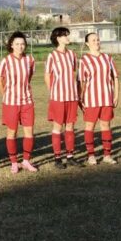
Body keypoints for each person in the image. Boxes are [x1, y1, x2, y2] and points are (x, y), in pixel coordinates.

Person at [0, 31, 37, 174]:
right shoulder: (5, 61)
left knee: (29, 132)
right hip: (11, 102)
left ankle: (26, 160)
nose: (20, 47)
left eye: (22, 44)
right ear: (11, 45)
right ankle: (14, 162)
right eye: (17, 44)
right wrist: (6, 95)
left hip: (27, 101)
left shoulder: (30, 60)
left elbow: (29, 76)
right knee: (11, 132)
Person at [78, 33, 120, 165]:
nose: (96, 42)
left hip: (107, 98)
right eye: (93, 40)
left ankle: (107, 155)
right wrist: (80, 99)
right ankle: (91, 155)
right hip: (91, 100)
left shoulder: (107, 58)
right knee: (90, 126)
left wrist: (116, 95)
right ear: (87, 44)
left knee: (106, 126)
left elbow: (115, 77)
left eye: (98, 39)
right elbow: (80, 81)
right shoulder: (84, 60)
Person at [44, 27, 81, 169]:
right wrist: (52, 91)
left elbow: (73, 73)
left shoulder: (72, 54)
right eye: (65, 35)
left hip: (72, 96)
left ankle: (70, 156)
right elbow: (47, 75)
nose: (67, 37)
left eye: (67, 35)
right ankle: (57, 157)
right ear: (58, 38)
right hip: (58, 97)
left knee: (70, 126)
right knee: (57, 127)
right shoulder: (52, 56)